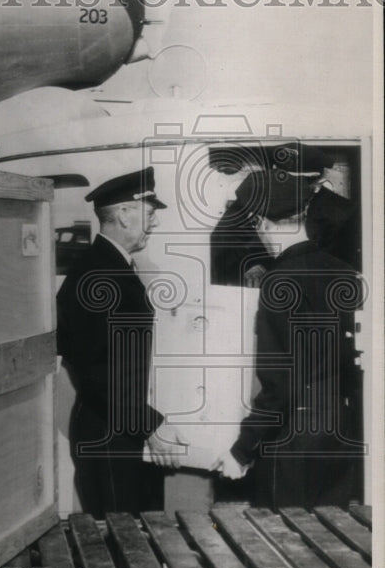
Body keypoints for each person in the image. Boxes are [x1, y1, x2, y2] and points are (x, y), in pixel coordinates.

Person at [213, 169, 362, 510]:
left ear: (261, 222)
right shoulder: (345, 272)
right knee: (331, 536)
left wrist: (242, 449)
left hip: (293, 437)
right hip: (340, 428)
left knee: (282, 545)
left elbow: (280, 385)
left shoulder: (279, 283)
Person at [56, 165, 184, 518]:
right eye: (150, 212)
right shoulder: (97, 276)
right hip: (108, 433)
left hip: (121, 426)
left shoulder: (112, 267)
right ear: (124, 215)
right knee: (122, 544)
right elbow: (95, 371)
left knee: (137, 538)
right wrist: (150, 424)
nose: (155, 222)